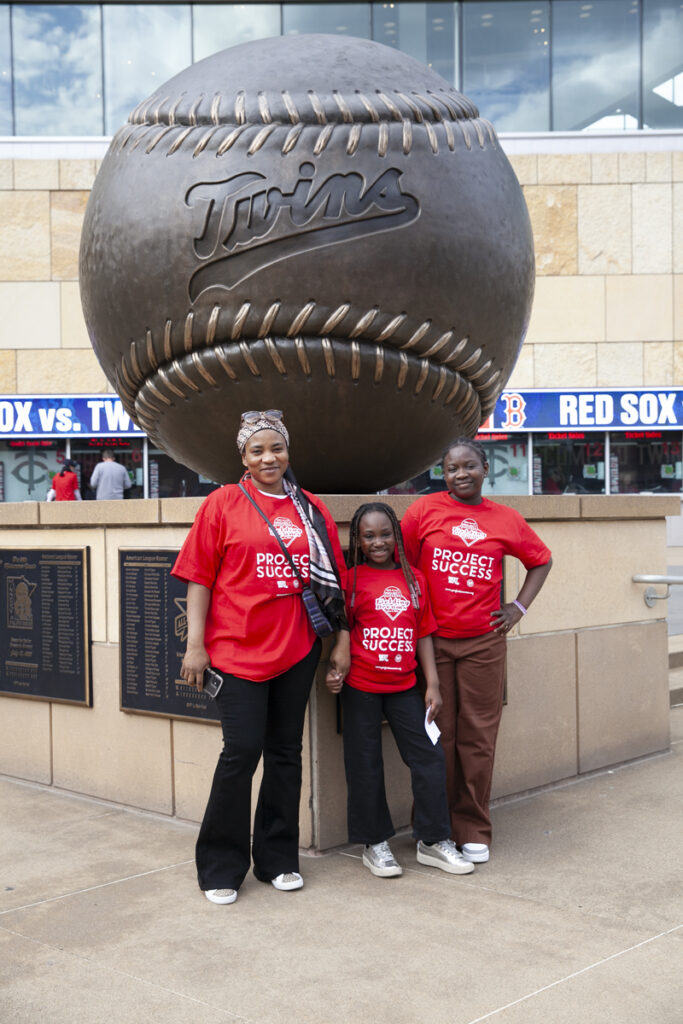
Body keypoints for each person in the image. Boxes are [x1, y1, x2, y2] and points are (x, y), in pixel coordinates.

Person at [172, 410, 350, 905]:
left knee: (285, 753)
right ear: (243, 457)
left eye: (277, 448)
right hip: (235, 650)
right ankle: (221, 866)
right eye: (258, 450)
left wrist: (341, 640)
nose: (269, 457)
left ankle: (277, 858)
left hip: (296, 648)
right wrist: (195, 645)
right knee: (241, 751)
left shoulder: (308, 507)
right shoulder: (222, 503)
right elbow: (199, 577)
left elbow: (334, 581)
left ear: (287, 452)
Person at [401, 438, 552, 864]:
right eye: (451, 468)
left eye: (469, 466)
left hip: (484, 643)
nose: (460, 474)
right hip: (432, 642)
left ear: (486, 469)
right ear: (443, 474)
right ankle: (435, 826)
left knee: (478, 737)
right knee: (438, 737)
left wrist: (517, 607)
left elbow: (540, 560)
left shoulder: (505, 519)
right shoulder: (422, 512)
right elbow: (407, 568)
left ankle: (473, 826)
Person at [326, 502, 474, 879]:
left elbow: (423, 631)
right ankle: (374, 843)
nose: (379, 542)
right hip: (360, 686)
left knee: (429, 757)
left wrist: (434, 684)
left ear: (397, 535)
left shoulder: (415, 579)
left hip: (405, 686)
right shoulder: (350, 579)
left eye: (386, 534)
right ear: (357, 540)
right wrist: (336, 670)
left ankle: (433, 839)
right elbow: (343, 630)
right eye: (369, 536)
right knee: (365, 764)